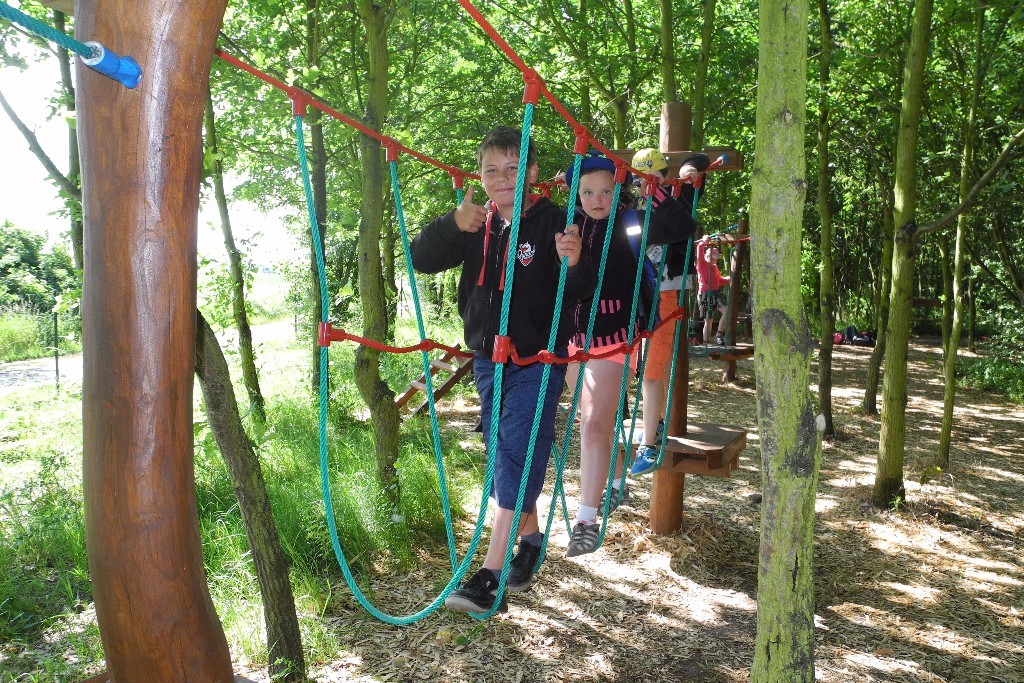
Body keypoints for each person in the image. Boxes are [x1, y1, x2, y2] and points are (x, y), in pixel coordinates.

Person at [410, 126, 594, 614]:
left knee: (515, 450)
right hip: (488, 358)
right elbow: (420, 259)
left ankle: (490, 577)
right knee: (502, 455)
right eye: (491, 169)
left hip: (538, 357)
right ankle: (530, 541)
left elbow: (580, 289)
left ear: (531, 172)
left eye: (513, 168)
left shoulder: (554, 221)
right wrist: (451, 222)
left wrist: (575, 262)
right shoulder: (476, 224)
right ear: (480, 176)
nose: (502, 178)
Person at [561, 151, 697, 558]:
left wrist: (656, 194)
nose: (596, 199)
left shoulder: (630, 222)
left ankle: (586, 521)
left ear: (618, 191)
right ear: (576, 194)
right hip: (572, 338)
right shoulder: (567, 225)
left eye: (605, 191)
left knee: (593, 425)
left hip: (616, 338)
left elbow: (681, 228)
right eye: (587, 192)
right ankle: (616, 480)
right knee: (592, 420)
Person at [629, 150, 709, 477]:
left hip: (665, 293)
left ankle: (649, 444)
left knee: (651, 369)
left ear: (665, 177)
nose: (646, 185)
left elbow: (699, 161)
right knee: (648, 367)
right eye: (640, 180)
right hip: (641, 295)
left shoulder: (676, 201)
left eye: (654, 177)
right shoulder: (633, 212)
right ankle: (657, 423)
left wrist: (689, 171)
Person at [696, 233, 734, 346]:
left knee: (727, 311)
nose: (714, 261)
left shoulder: (714, 267)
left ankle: (719, 335)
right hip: (704, 295)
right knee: (709, 320)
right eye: (712, 258)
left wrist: (727, 280)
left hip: (715, 293)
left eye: (715, 259)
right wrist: (704, 241)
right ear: (707, 256)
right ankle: (705, 343)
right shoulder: (701, 264)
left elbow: (718, 280)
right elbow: (699, 249)